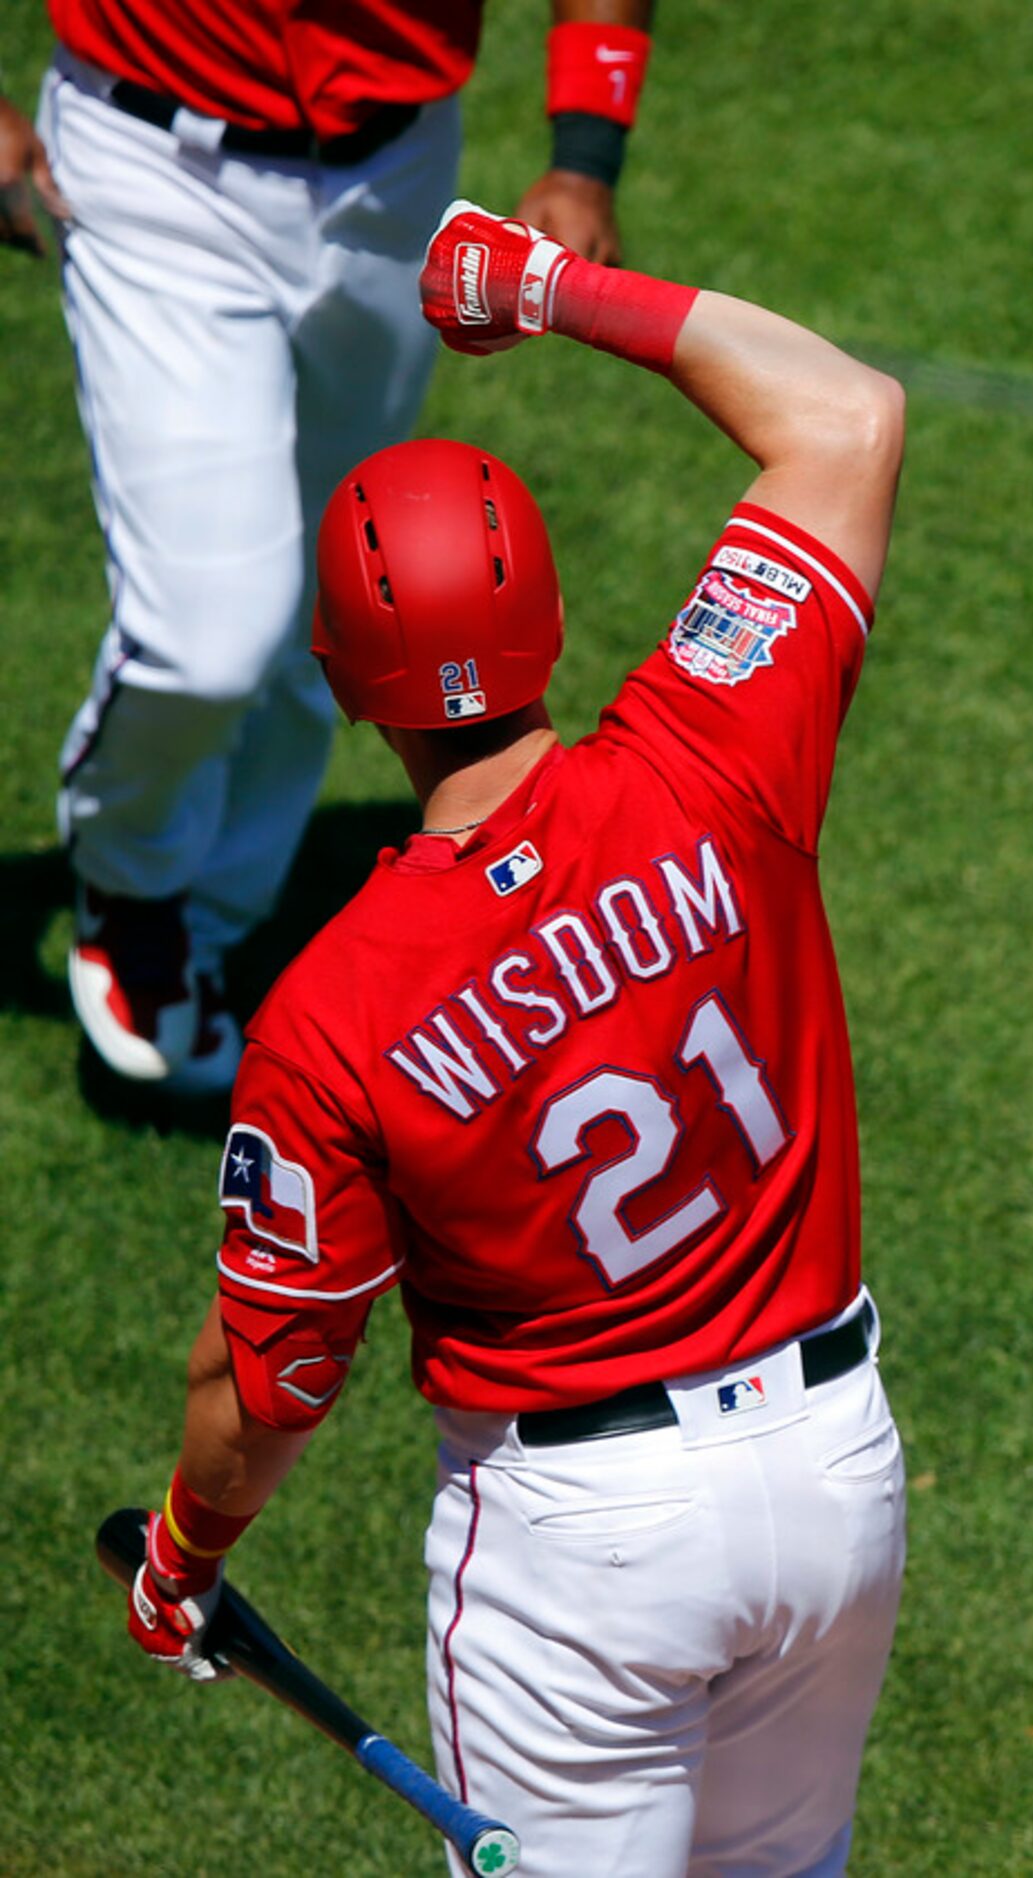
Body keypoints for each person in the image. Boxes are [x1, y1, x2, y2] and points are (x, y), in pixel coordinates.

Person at [121, 200, 909, 1877]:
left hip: (583, 1547)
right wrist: (545, 286)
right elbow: (843, 412)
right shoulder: (714, 744)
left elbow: (265, 1379)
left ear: (342, 682)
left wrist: (187, 1550)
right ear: (546, 613)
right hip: (832, 1471)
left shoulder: (332, 1013)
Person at [0, 0, 657, 1097]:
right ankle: (130, 884)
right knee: (208, 636)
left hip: (394, 179)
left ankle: (213, 931)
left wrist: (585, 154)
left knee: (350, 600)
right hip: (153, 165)